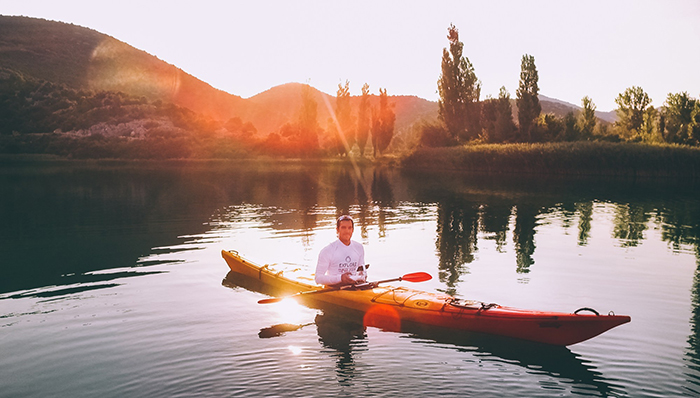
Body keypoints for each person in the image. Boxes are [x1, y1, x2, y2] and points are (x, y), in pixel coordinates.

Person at [315, 215, 367, 287]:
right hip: (335, 287)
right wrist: (340, 278)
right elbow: (318, 278)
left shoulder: (359, 247)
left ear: (352, 230)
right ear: (337, 230)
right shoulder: (327, 251)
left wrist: (362, 276)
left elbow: (362, 270)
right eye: (343, 228)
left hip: (355, 286)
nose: (347, 231)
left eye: (349, 228)